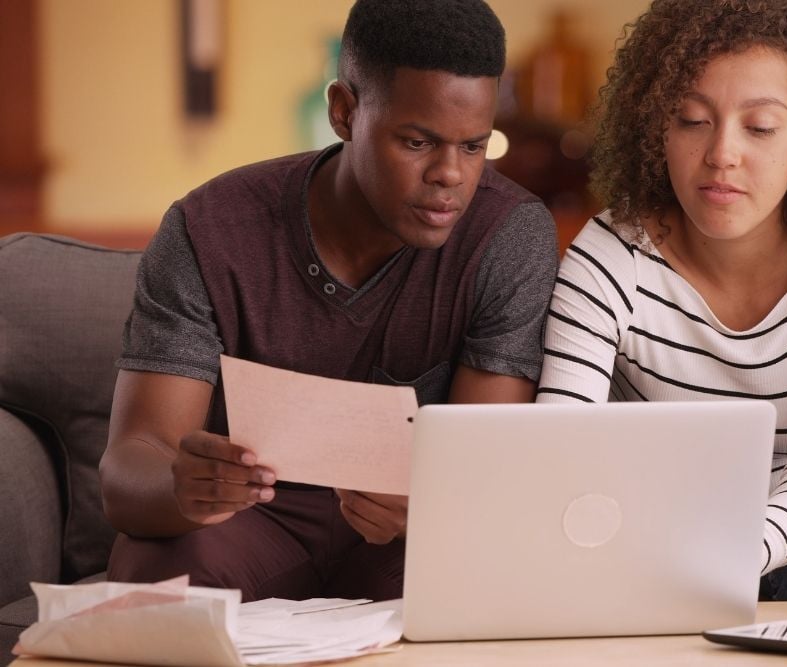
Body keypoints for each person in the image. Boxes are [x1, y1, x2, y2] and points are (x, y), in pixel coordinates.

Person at [99, 0, 558, 602]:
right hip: (250, 525)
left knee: (481, 577)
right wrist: (181, 488)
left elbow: (485, 476)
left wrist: (433, 507)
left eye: (474, 147)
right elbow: (130, 467)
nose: (451, 175)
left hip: (403, 545)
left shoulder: (507, 235)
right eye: (418, 142)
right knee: (149, 568)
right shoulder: (210, 229)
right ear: (344, 111)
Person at [536, 0, 787, 601]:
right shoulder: (612, 254)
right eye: (692, 120)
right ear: (657, 130)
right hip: (643, 532)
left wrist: (708, 561)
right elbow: (556, 454)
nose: (722, 153)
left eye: (761, 127)